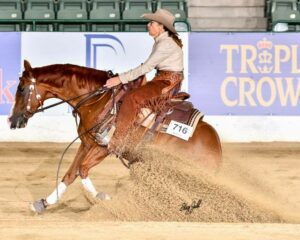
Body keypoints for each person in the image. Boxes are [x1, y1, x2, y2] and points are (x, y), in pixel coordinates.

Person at [102, 8, 184, 150]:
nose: (148, 25)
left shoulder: (166, 44)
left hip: (166, 82)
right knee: (130, 93)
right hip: (163, 79)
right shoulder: (162, 41)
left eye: (152, 23)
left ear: (161, 27)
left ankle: (117, 140)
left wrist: (120, 79)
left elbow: (146, 67)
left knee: (132, 98)